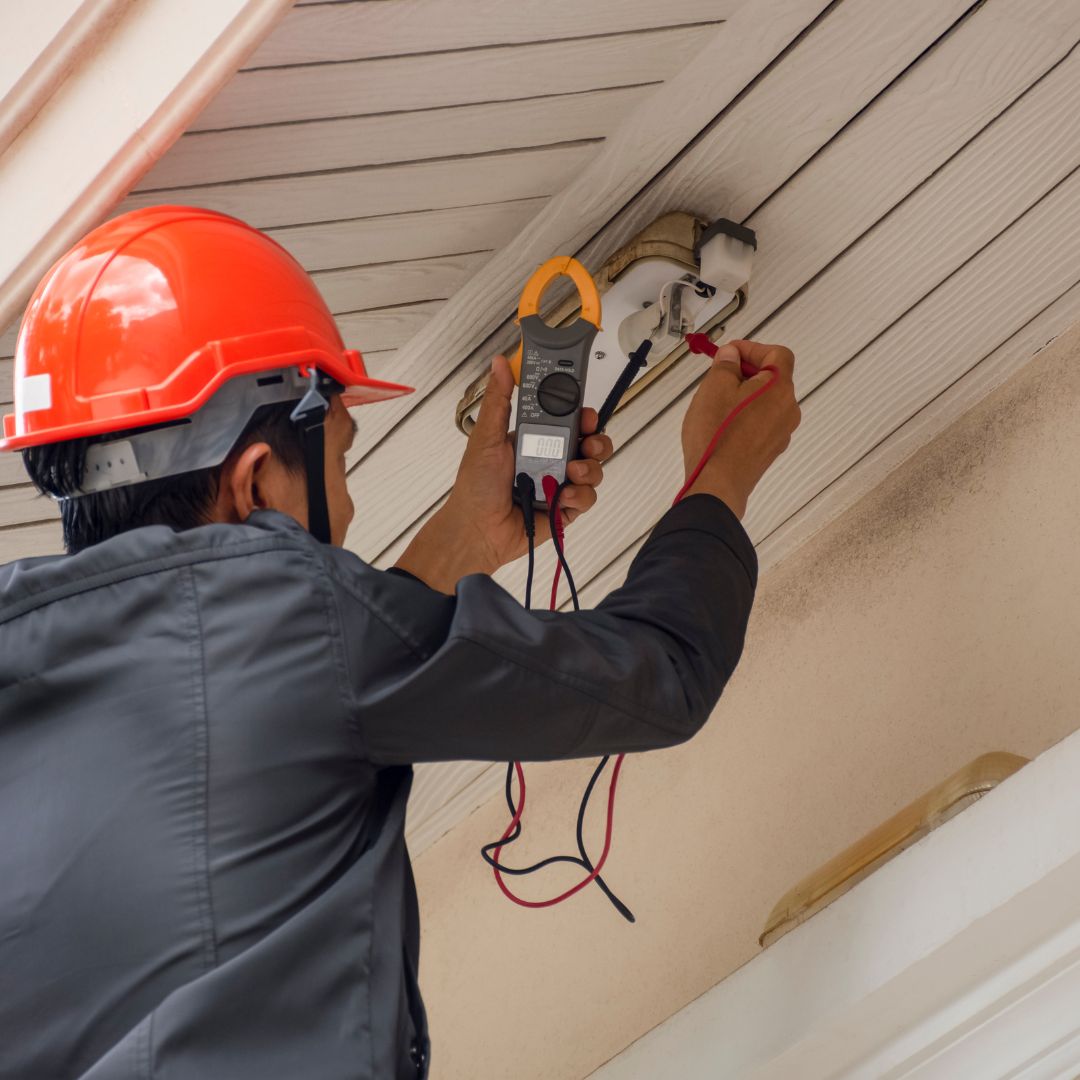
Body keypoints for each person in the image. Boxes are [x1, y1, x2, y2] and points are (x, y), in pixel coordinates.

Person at [0, 206, 799, 1079]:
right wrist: (720, 476)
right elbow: (663, 674)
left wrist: (463, 543)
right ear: (257, 483)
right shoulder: (296, 624)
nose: (345, 512)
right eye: (340, 460)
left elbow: (279, 690)